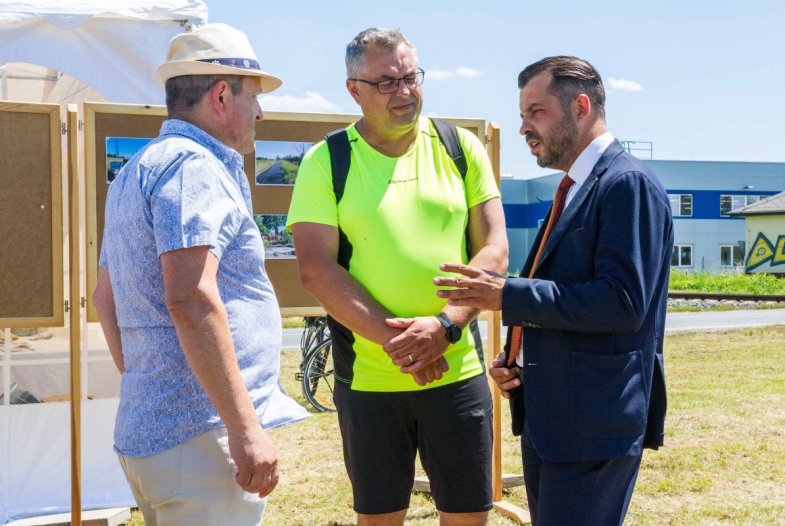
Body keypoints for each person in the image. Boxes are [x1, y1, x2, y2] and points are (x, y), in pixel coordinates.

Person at [434, 56, 672, 525]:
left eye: (536, 111)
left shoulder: (626, 185)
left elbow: (622, 303)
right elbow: (565, 292)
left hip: (592, 427)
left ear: (581, 106)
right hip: (555, 422)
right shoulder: (575, 189)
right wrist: (517, 358)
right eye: (523, 114)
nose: (524, 127)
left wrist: (507, 294)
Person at [287, 27, 508, 526]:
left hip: (457, 370)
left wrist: (445, 328)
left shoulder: (460, 147)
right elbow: (316, 270)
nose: (405, 92)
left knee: (470, 515)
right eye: (387, 82)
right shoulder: (328, 160)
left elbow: (494, 249)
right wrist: (406, 345)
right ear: (354, 90)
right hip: (369, 380)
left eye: (411, 77)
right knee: (381, 518)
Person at [93, 23, 308, 526]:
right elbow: (190, 296)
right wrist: (244, 428)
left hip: (164, 435)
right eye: (253, 97)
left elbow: (105, 297)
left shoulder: (136, 170)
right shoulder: (193, 166)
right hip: (201, 442)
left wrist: (153, 383)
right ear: (219, 95)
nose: (261, 112)